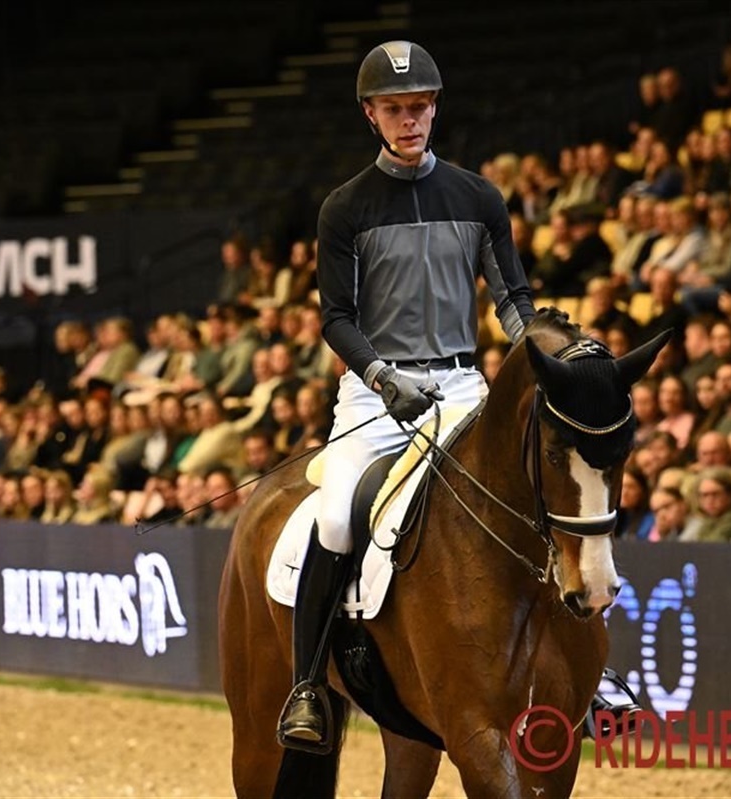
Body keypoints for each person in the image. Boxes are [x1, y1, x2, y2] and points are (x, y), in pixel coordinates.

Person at [276, 41, 539, 752]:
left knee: (534, 494)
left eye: (419, 106)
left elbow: (511, 298)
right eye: (395, 109)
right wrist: (382, 378)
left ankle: (580, 668)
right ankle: (308, 686)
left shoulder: (478, 197)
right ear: (371, 115)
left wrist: (538, 347)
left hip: (461, 385)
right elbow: (337, 318)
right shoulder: (344, 208)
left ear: (435, 108)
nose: (410, 120)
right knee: (336, 516)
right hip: (375, 394)